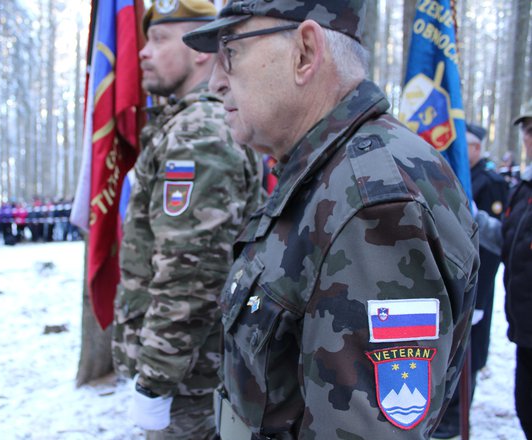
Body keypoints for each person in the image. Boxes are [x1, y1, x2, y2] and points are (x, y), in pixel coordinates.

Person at [183, 1, 480, 438]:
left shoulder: (373, 203)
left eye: (231, 52)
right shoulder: (322, 175)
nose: (215, 81)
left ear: (304, 51)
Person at [111, 1, 263, 439]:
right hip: (193, 369)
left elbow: (191, 272)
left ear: (201, 49)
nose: (143, 52)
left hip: (192, 380)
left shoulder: (198, 132)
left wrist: (155, 380)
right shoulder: (193, 122)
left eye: (159, 40)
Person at [433, 123, 510, 439]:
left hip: (477, 282)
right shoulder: (444, 172)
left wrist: (478, 294)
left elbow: (492, 246)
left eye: (468, 145)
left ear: (477, 148)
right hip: (448, 277)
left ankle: (458, 415)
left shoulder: (489, 183)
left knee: (471, 350)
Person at [502, 99, 532, 438]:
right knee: (526, 410)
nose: (530, 138)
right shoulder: (523, 188)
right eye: (527, 131)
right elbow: (510, 237)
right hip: (525, 333)